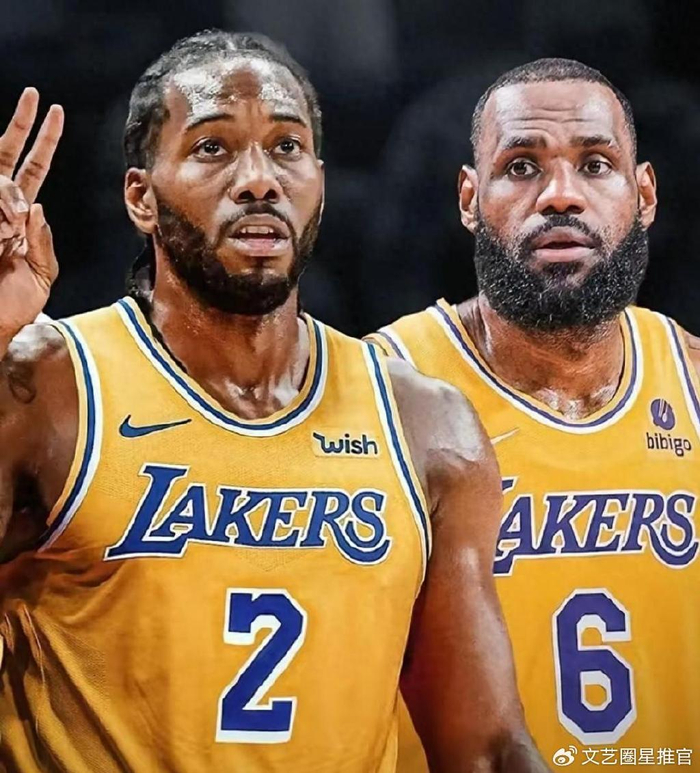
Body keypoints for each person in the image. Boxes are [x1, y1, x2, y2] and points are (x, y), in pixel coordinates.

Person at [0, 33, 549, 773]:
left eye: (287, 148)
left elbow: (485, 747)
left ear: (319, 180)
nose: (258, 180)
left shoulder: (426, 426)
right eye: (213, 148)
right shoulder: (47, 389)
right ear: (140, 197)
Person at [367, 58, 700, 771]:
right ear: (469, 197)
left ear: (644, 194)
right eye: (521, 167)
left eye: (596, 165)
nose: (560, 196)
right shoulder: (382, 387)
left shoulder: (694, 381)